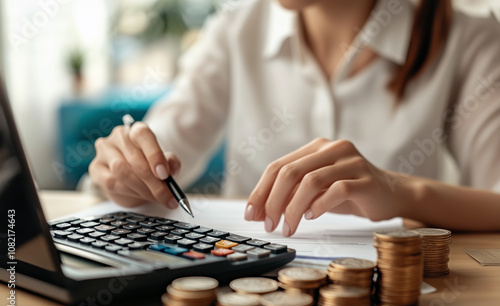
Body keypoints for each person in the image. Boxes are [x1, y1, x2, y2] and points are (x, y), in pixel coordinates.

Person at [89, 0, 500, 237]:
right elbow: (159, 153)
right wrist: (127, 170)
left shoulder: (469, 38)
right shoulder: (237, 26)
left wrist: (398, 190)